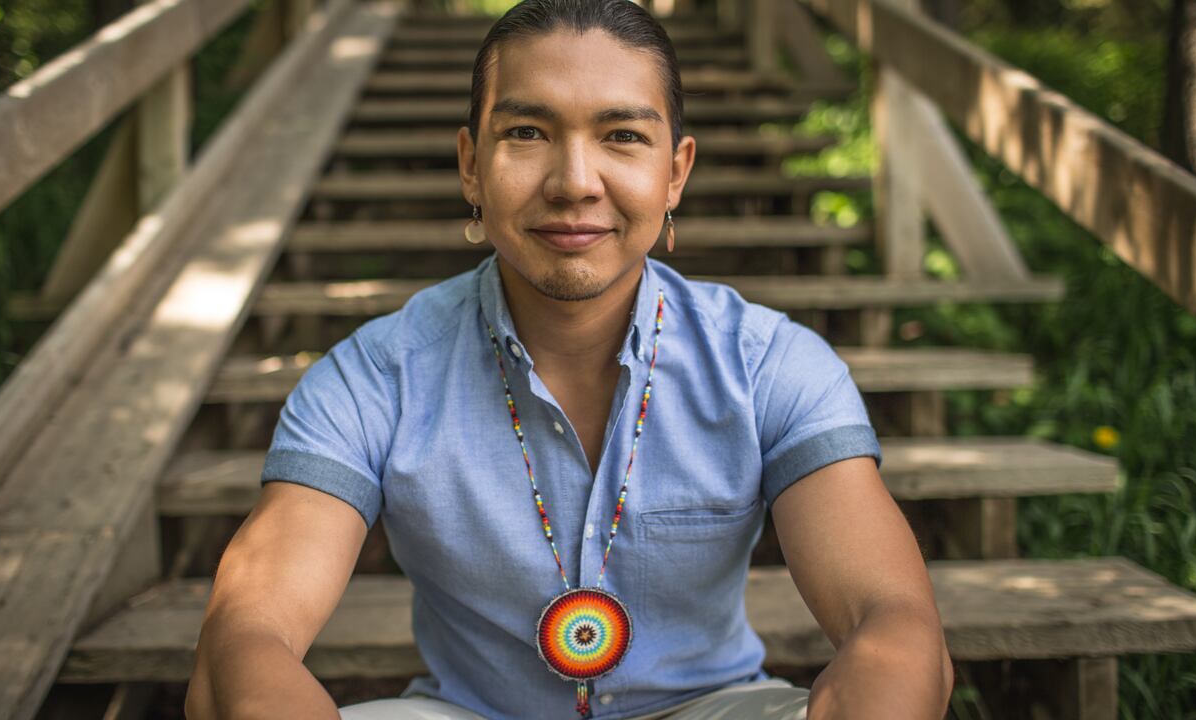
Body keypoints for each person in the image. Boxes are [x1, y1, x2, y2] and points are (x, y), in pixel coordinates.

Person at [184, 1, 954, 718]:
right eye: (527, 133)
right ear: (470, 164)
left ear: (676, 172)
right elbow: (248, 633)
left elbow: (892, 621)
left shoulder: (769, 366)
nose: (574, 184)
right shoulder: (374, 378)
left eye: (622, 136)